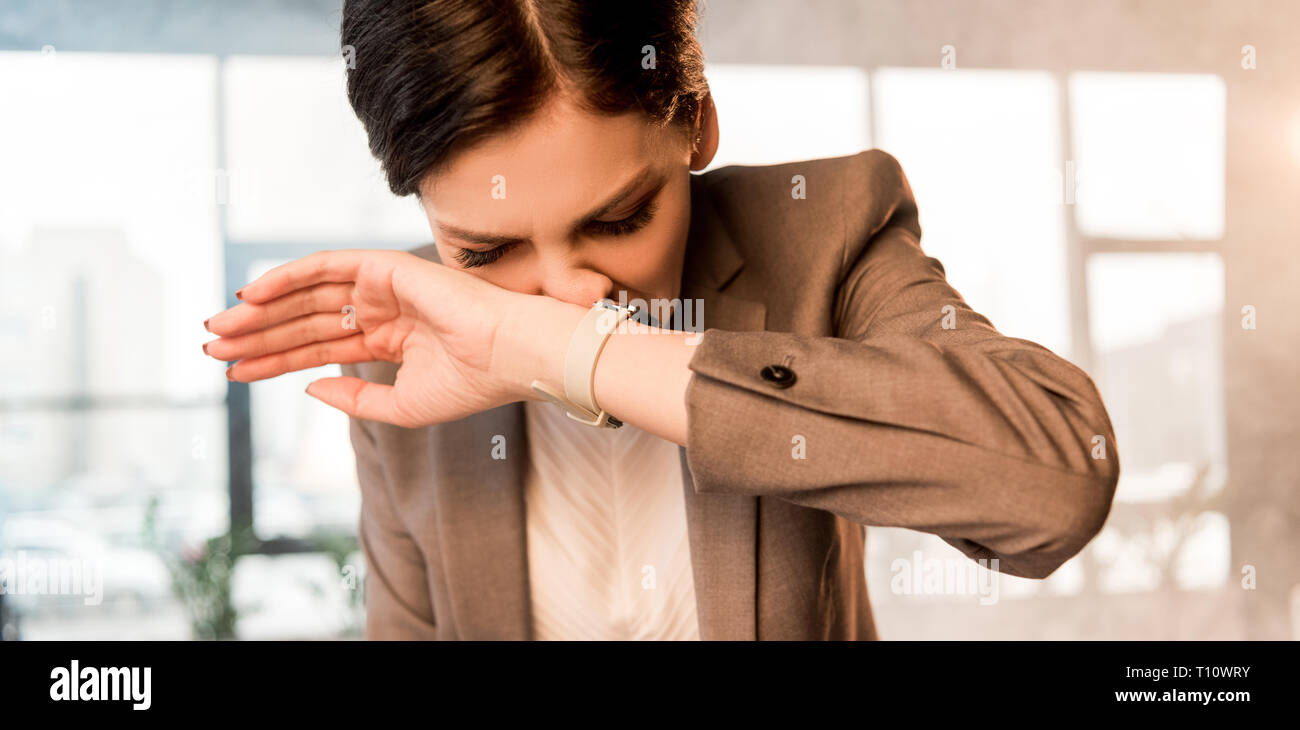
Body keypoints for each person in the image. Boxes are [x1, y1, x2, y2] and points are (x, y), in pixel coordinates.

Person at [201, 0, 1120, 640]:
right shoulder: (393, 353)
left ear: (698, 125)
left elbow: (1055, 484)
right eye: (483, 253)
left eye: (619, 219)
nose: (567, 294)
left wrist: (573, 355)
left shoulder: (827, 232)